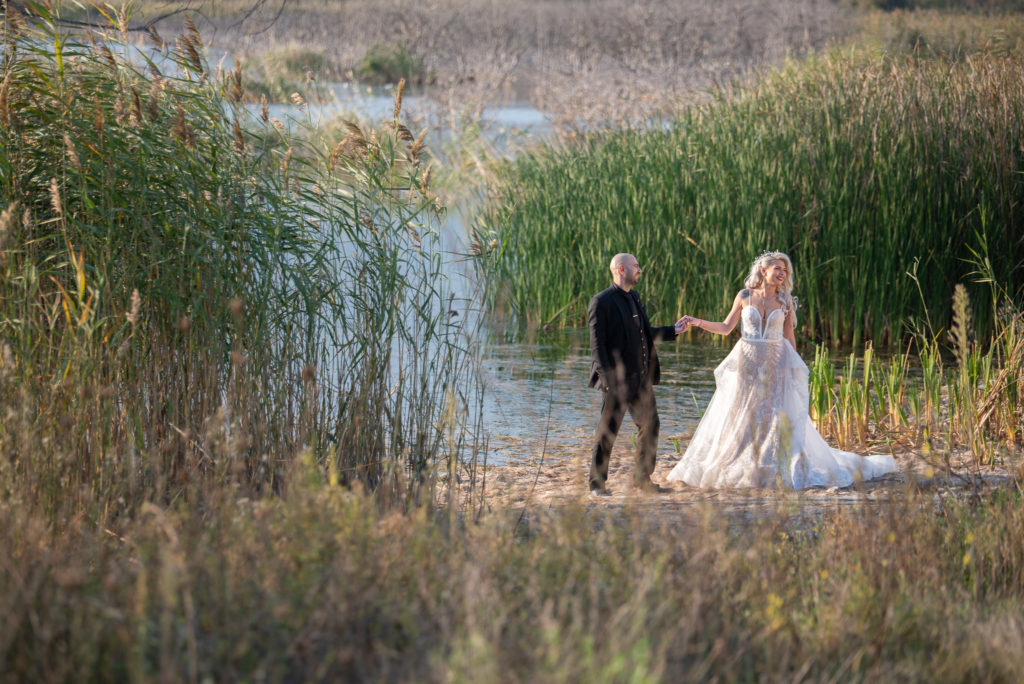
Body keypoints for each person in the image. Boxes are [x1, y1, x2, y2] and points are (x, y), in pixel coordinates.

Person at [666, 251, 896, 489]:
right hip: (748, 362)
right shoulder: (745, 295)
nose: (782, 273)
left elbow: (788, 337)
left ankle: (772, 462)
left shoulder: (786, 301)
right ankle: (739, 459)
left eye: (784, 270)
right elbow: (726, 328)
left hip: (775, 362)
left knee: (772, 413)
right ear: (763, 270)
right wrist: (697, 321)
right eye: (777, 268)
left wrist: (795, 366)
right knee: (742, 412)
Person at [588, 253, 688, 496]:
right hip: (617, 381)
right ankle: (597, 486)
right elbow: (597, 346)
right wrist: (609, 380)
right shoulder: (601, 302)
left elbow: (645, 334)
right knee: (607, 432)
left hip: (641, 379)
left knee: (651, 424)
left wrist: (673, 330)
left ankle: (642, 479)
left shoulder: (634, 297)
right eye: (636, 266)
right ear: (622, 270)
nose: (640, 269)